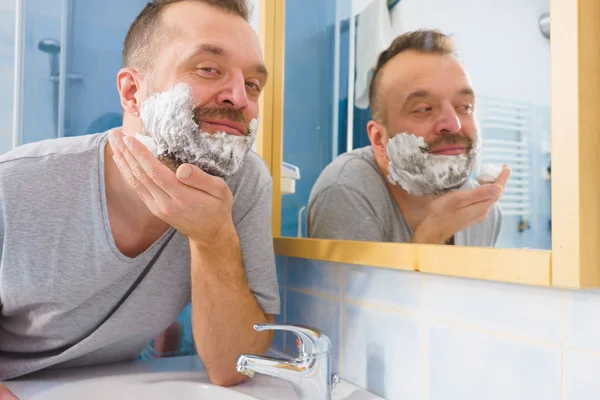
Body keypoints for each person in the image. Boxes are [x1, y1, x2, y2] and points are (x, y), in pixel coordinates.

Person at [0, 0, 280, 395]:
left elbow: (232, 367)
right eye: (208, 69)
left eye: (253, 84)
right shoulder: (15, 184)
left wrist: (213, 237)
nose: (240, 97)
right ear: (132, 93)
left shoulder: (243, 183)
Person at [307, 30, 510, 246]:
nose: (453, 124)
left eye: (464, 107)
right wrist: (434, 231)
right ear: (378, 139)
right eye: (423, 109)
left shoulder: (482, 213)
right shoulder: (346, 190)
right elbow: (356, 282)